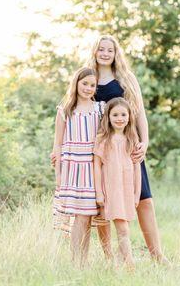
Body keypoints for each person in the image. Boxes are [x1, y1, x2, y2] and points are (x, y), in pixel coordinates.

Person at [88, 35, 168, 263]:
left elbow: (139, 112)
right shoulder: (88, 78)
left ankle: (157, 255)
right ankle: (109, 258)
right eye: (101, 49)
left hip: (128, 147)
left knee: (144, 199)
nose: (105, 53)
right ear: (95, 51)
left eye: (109, 50)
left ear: (115, 53)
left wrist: (145, 141)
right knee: (102, 204)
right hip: (101, 150)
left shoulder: (126, 78)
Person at [52, 67, 104, 266]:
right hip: (72, 169)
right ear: (76, 83)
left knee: (87, 217)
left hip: (92, 168)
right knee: (78, 217)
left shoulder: (100, 109)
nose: (88, 88)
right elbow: (57, 144)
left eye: (92, 85)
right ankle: (76, 262)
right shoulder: (65, 110)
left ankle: (83, 261)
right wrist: (58, 174)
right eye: (85, 84)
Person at [94, 97, 141, 267]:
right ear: (108, 117)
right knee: (122, 228)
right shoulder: (103, 139)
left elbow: (137, 168)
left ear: (129, 117)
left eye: (123, 114)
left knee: (124, 227)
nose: (119, 118)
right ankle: (130, 265)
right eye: (115, 115)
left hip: (127, 189)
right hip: (111, 190)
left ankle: (119, 265)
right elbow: (97, 167)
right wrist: (99, 192)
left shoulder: (132, 139)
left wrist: (137, 193)